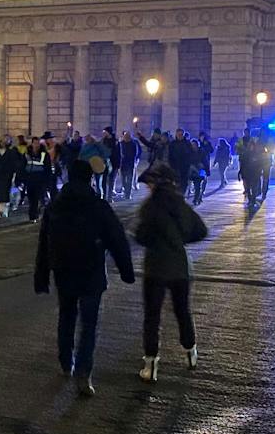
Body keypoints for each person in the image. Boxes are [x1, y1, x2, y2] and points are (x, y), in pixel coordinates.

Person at [33, 158, 135, 397]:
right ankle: (83, 372)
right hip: (91, 271)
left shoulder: (56, 206)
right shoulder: (98, 205)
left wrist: (42, 275)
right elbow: (117, 239)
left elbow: (44, 244)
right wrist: (126, 270)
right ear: (90, 178)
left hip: (63, 270)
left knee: (66, 315)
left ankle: (65, 360)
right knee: (89, 325)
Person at [133, 160, 208, 382]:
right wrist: (181, 240)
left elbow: (141, 236)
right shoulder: (180, 204)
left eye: (149, 183)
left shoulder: (150, 207)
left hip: (155, 266)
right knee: (182, 311)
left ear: (155, 183)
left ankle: (151, 365)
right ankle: (191, 352)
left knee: (152, 316)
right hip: (180, 265)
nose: (148, 187)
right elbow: (201, 230)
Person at [0, 136, 22, 218]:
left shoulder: (12, 152)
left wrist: (15, 175)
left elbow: (16, 165)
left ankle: (2, 211)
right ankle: (1, 210)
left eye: (5, 141)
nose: (3, 143)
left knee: (5, 193)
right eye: (2, 141)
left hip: (7, 176)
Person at [23, 135, 52, 222]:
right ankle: (33, 214)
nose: (36, 145)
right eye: (35, 143)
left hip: (40, 179)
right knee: (31, 198)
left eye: (37, 143)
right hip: (30, 178)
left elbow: (48, 167)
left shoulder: (44, 154)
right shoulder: (27, 154)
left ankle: (33, 216)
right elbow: (23, 166)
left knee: (37, 198)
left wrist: (47, 181)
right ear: (31, 144)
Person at [167, 128, 196, 193]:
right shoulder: (173, 144)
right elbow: (170, 155)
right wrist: (171, 165)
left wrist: (189, 163)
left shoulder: (187, 143)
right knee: (176, 183)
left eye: (181, 134)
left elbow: (191, 154)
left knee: (184, 183)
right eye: (178, 134)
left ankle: (181, 195)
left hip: (185, 167)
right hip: (175, 167)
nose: (180, 136)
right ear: (176, 134)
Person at [117, 130, 140, 198]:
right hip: (123, 164)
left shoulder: (133, 144)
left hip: (130, 164)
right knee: (123, 180)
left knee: (129, 180)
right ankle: (125, 190)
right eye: (125, 136)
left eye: (127, 136)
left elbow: (135, 154)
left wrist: (133, 160)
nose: (126, 138)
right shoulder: (121, 143)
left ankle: (128, 194)